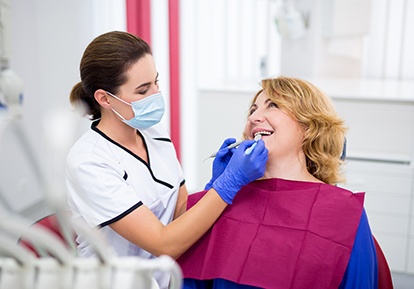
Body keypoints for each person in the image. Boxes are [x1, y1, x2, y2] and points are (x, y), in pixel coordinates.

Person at [65, 31, 268, 289]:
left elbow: (179, 210)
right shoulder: (89, 162)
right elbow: (163, 242)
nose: (156, 94)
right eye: (142, 90)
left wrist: (212, 186)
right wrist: (228, 184)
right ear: (104, 98)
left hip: (165, 277)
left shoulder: (154, 132)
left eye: (155, 82)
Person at [178, 76, 378, 289]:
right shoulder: (222, 201)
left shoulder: (343, 212)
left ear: (309, 125)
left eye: (273, 105)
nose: (255, 117)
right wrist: (214, 189)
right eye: (252, 110)